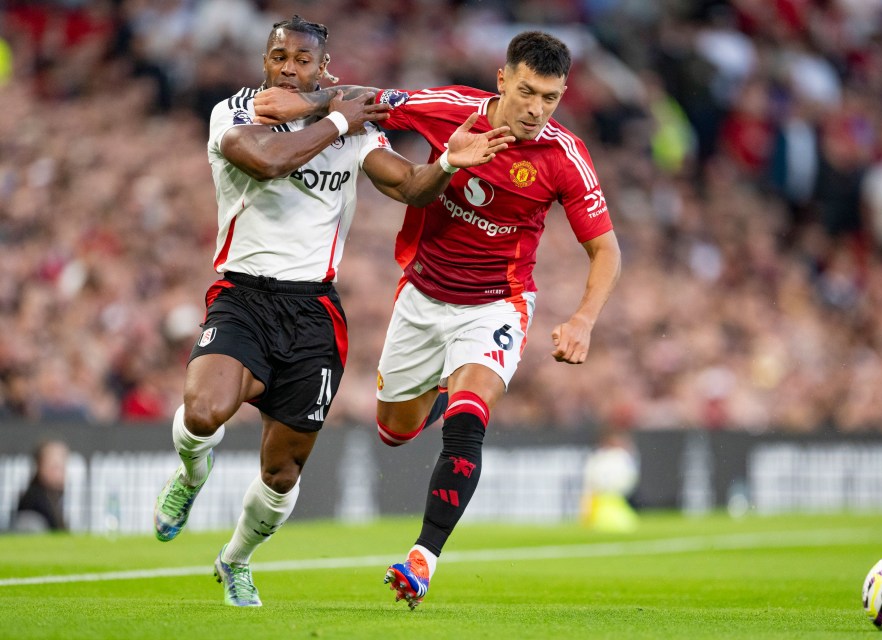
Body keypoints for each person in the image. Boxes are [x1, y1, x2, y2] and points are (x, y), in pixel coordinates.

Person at [152, 15, 513, 608]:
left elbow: (410, 187)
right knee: (204, 409)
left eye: (301, 59)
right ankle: (191, 476)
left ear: (323, 68)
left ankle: (235, 561)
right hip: (242, 295)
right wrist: (340, 116)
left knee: (281, 474)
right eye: (278, 57)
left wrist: (449, 162)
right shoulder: (235, 112)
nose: (288, 68)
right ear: (265, 62)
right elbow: (267, 161)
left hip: (313, 310)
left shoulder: (355, 132)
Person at [254, 30, 621, 609]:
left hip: (497, 304)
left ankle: (423, 559)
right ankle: (448, 391)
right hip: (422, 298)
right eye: (526, 92)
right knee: (394, 431)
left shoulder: (564, 158)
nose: (535, 109)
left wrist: (583, 320)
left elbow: (606, 250)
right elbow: (371, 98)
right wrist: (306, 102)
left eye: (550, 98)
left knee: (469, 420)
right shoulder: (451, 110)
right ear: (502, 79)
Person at [14, 439, 70, 532]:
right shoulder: (33, 501)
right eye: (55, 466)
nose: (61, 472)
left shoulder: (54, 497)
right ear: (40, 465)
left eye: (63, 466)